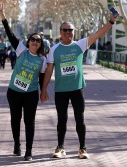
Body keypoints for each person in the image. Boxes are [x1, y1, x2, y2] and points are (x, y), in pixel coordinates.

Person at [40, 12, 119, 159]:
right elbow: (49, 70)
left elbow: (98, 34)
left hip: (77, 89)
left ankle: (82, 148)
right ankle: (60, 148)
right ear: (60, 32)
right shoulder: (54, 49)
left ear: (74, 32)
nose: (68, 32)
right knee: (61, 119)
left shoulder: (80, 45)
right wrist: (43, 90)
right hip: (61, 90)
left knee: (79, 119)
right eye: (65, 30)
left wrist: (111, 22)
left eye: (70, 30)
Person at [0, 3, 46, 161]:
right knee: (15, 119)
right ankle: (17, 144)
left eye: (38, 40)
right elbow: (10, 34)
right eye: (33, 39)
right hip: (14, 92)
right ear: (29, 41)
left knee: (29, 121)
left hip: (30, 93)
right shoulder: (21, 50)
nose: (35, 42)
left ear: (41, 44)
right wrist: (3, 16)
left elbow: (41, 78)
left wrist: (43, 92)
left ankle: (29, 151)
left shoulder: (42, 60)